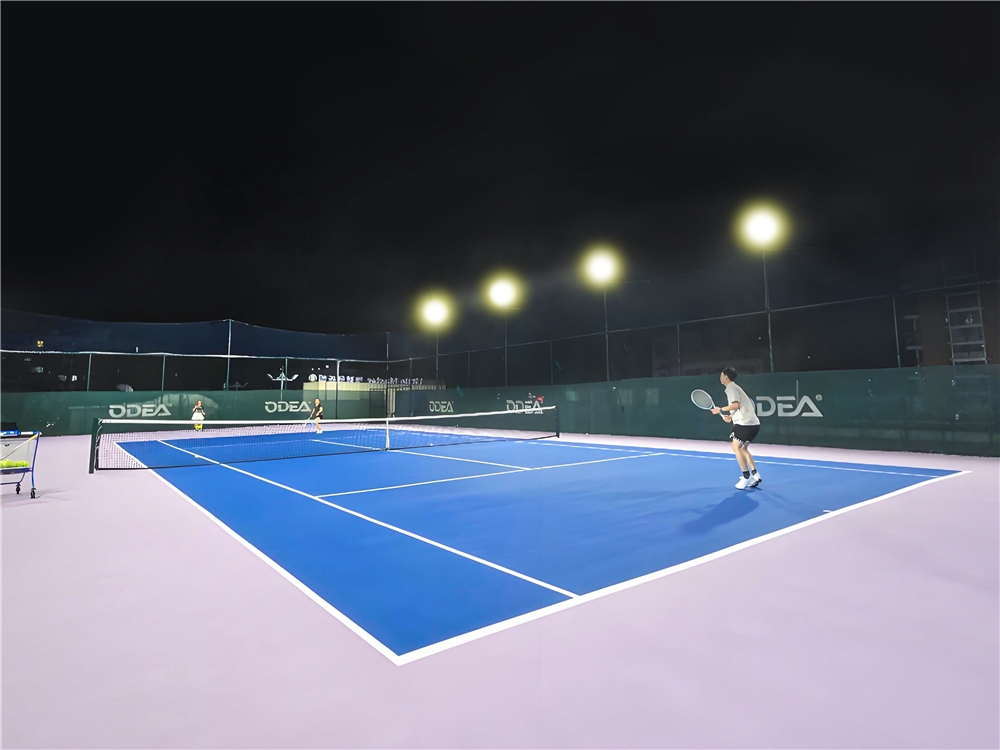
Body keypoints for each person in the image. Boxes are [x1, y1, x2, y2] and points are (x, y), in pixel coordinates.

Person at [710, 367, 762, 489]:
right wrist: (730, 416)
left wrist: (720, 409)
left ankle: (746, 476)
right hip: (754, 424)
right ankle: (755, 474)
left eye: (721, 375)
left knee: (736, 447)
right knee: (743, 448)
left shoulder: (731, 388)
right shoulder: (736, 388)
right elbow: (740, 407)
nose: (720, 377)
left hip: (744, 424)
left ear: (726, 377)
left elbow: (736, 405)